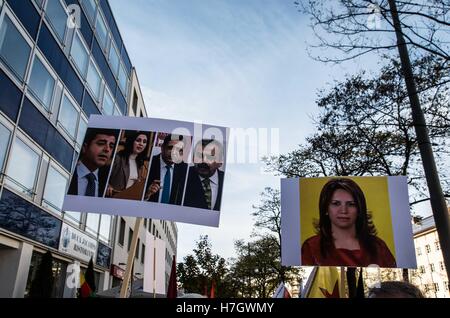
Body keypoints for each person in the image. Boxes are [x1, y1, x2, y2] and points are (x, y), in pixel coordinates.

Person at [301, 178, 396, 267]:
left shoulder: (378, 246)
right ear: (326, 208)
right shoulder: (312, 247)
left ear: (359, 209)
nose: (343, 210)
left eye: (351, 204)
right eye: (336, 203)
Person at [68, 128, 117, 197]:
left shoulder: (107, 184)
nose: (107, 149)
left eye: (111, 146)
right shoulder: (68, 169)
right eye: (101, 144)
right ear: (85, 147)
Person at [144, 134, 188, 205]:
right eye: (170, 148)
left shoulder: (184, 169)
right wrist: (146, 195)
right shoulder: (148, 164)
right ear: (162, 148)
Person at [106, 131, 151, 197]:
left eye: (144, 142)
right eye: (138, 140)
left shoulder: (140, 163)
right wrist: (107, 186)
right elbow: (102, 176)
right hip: (113, 197)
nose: (141, 144)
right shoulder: (117, 158)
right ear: (131, 141)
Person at [183, 139, 224, 211]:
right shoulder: (183, 176)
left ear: (220, 162)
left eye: (210, 157)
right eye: (199, 155)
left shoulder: (227, 181)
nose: (204, 160)